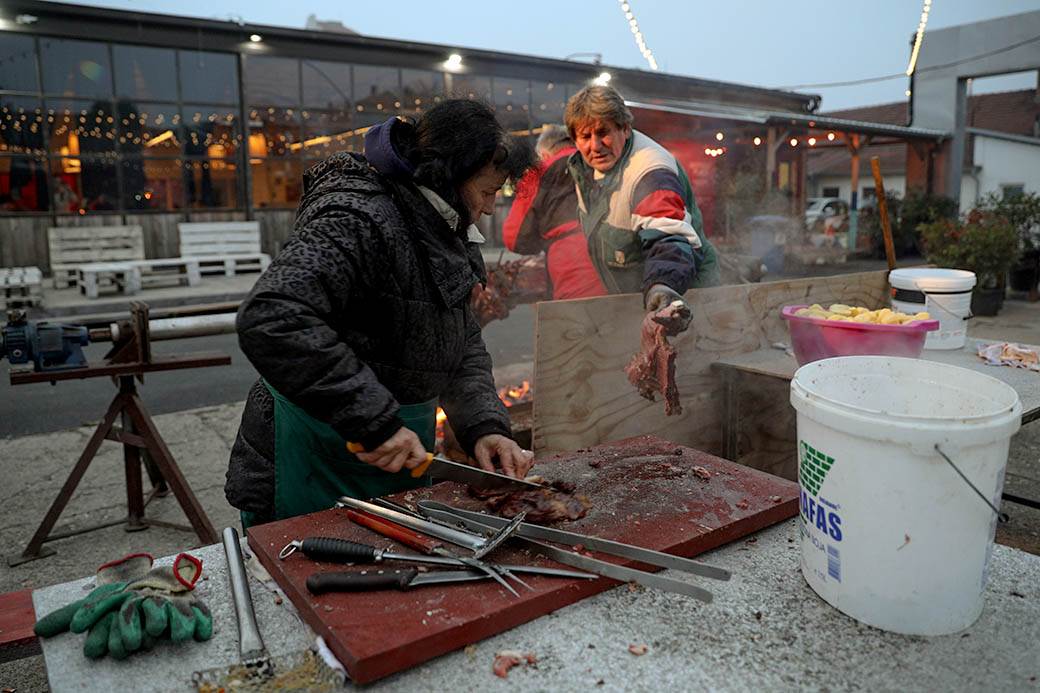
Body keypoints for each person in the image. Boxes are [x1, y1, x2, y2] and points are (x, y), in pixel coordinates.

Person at [226, 101, 537, 527]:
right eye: (486, 192)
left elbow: (459, 340)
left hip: (394, 449)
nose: (488, 208)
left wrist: (486, 426)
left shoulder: (443, 224)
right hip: (317, 448)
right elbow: (273, 315)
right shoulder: (357, 215)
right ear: (449, 177)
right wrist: (372, 418)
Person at [564, 85, 720, 328]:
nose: (595, 146)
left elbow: (668, 238)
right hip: (637, 295)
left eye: (603, 132)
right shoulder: (584, 169)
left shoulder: (650, 171)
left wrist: (662, 287)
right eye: (585, 137)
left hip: (684, 295)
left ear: (625, 128)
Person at [502, 124, 606, 299]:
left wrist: (541, 243)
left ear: (544, 155)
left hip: (570, 266)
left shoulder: (540, 172)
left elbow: (514, 237)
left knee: (573, 322)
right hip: (616, 261)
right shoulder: (599, 162)